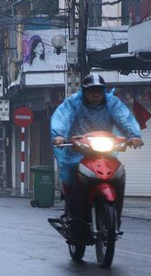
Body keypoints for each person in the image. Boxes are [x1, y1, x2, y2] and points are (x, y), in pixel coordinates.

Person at [50, 73, 144, 219]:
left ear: (104, 91)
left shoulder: (112, 102)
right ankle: (70, 206)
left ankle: (116, 213)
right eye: (91, 90)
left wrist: (134, 135)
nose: (95, 94)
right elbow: (63, 117)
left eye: (99, 90)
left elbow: (124, 117)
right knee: (69, 173)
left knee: (119, 172)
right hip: (77, 150)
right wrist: (59, 135)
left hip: (105, 150)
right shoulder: (74, 102)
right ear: (84, 91)